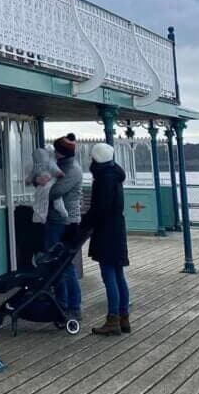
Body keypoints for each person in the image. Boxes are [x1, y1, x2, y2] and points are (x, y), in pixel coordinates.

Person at [79, 141, 130, 335]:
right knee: (118, 274)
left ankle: (113, 318)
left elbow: (99, 208)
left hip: (106, 231)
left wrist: (84, 225)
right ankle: (123, 317)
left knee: (108, 274)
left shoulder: (103, 179)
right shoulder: (115, 176)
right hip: (117, 228)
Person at [46, 134, 83, 317]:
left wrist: (45, 185)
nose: (54, 153)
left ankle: (73, 305)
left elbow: (55, 192)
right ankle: (62, 302)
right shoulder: (62, 167)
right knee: (57, 263)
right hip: (57, 220)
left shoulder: (73, 170)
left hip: (64, 222)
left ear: (61, 153)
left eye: (56, 150)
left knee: (64, 264)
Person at [29, 143, 68, 225]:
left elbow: (29, 179)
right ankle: (63, 212)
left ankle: (39, 217)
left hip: (41, 187)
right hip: (51, 185)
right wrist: (52, 177)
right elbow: (61, 174)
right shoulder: (50, 163)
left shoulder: (36, 166)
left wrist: (36, 180)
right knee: (57, 200)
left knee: (40, 201)